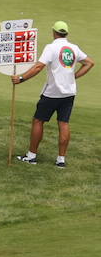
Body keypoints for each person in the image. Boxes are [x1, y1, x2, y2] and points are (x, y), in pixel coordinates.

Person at [14, 21, 92, 167]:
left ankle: (31, 156)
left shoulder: (51, 47)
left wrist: (21, 78)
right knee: (64, 123)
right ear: (66, 33)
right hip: (69, 93)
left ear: (54, 32)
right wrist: (73, 77)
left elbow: (38, 67)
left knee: (38, 121)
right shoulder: (73, 48)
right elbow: (89, 63)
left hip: (51, 93)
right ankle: (60, 160)